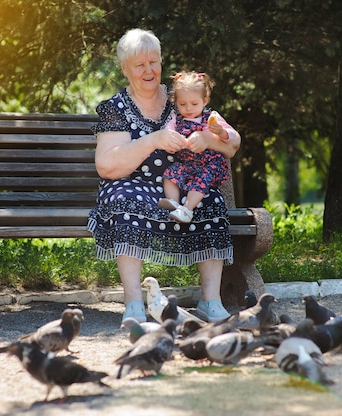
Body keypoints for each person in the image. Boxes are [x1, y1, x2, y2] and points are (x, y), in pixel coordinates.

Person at [88, 28, 241, 324]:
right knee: (124, 200)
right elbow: (107, 166)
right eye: (139, 64)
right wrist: (153, 140)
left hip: (180, 183)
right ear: (125, 69)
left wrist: (209, 140)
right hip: (130, 182)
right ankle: (134, 302)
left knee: (209, 199)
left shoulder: (181, 98)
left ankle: (211, 300)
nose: (149, 70)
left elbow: (232, 143)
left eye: (153, 62)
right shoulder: (115, 108)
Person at [158, 71, 232, 223]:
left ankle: (187, 209)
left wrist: (221, 132)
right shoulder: (175, 120)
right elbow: (167, 135)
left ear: (205, 100)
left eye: (194, 104)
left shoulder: (211, 118)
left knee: (202, 180)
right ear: (176, 102)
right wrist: (172, 144)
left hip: (210, 164)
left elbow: (230, 137)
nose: (188, 108)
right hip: (188, 164)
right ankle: (173, 202)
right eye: (182, 104)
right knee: (170, 173)